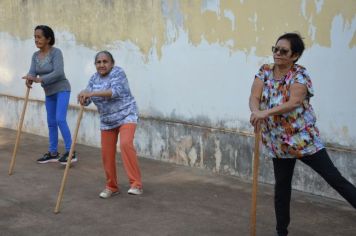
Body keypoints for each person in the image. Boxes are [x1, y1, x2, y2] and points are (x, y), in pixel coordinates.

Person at [249, 32, 356, 236]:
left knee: (334, 178)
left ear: (295, 56)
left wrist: (265, 112)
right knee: (282, 188)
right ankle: (282, 232)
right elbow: (254, 96)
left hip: (303, 140)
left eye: (283, 51)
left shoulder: (300, 75)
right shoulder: (264, 71)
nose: (277, 54)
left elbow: (294, 102)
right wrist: (255, 111)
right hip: (278, 142)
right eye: (275, 49)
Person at [78, 51, 143, 198]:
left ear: (112, 63)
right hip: (107, 120)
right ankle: (112, 187)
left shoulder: (118, 72)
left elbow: (115, 92)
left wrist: (92, 94)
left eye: (105, 61)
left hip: (127, 115)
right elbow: (87, 98)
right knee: (106, 154)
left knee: (126, 144)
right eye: (98, 62)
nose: (102, 65)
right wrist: (83, 97)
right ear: (95, 65)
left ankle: (136, 184)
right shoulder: (93, 79)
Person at [22, 25, 76, 165]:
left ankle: (71, 152)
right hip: (49, 92)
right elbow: (32, 72)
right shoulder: (35, 56)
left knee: (60, 119)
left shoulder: (56, 53)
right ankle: (53, 153)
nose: (36, 39)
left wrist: (41, 79)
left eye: (39, 37)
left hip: (62, 89)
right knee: (51, 122)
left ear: (48, 39)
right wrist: (29, 78)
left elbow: (59, 72)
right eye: (35, 37)